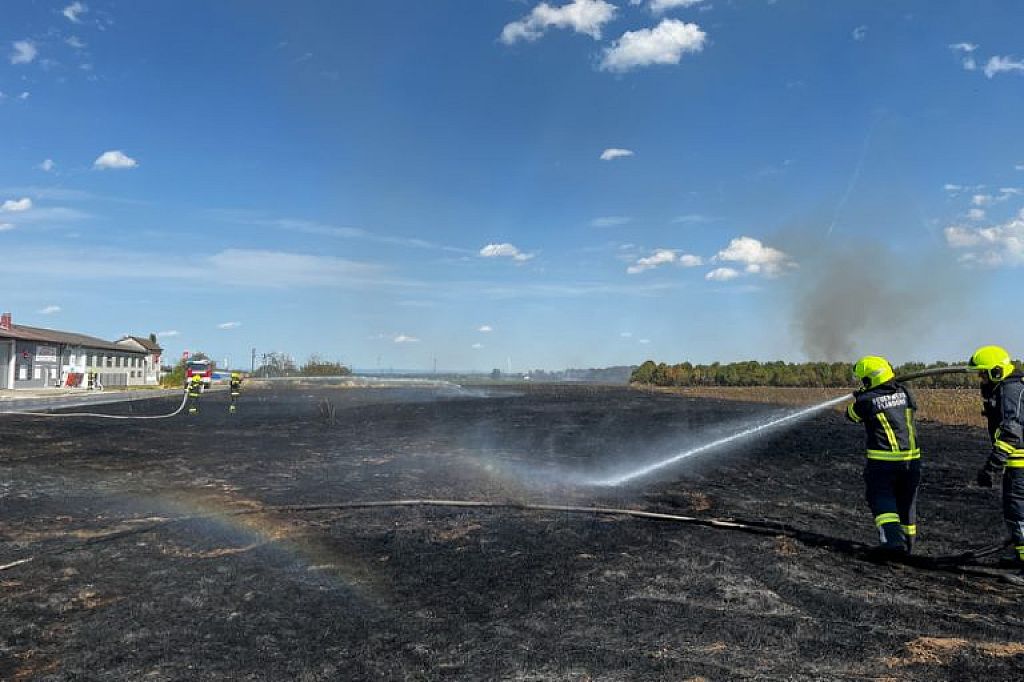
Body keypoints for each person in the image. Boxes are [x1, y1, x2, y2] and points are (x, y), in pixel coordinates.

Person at [845, 356, 921, 555]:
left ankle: (892, 542)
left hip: (883, 462)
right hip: (912, 462)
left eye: (863, 380)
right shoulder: (905, 392)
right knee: (907, 503)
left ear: (870, 380)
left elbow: (851, 415)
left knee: (881, 497)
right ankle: (909, 545)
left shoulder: (866, 401)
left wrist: (861, 395)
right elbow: (912, 406)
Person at [968, 345, 1024, 583]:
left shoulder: (1010, 391)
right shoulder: (1009, 387)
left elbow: (1011, 432)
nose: (981, 378)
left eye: (983, 373)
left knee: (1018, 513)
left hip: (1019, 463)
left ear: (997, 372)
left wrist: (992, 466)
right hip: (1017, 462)